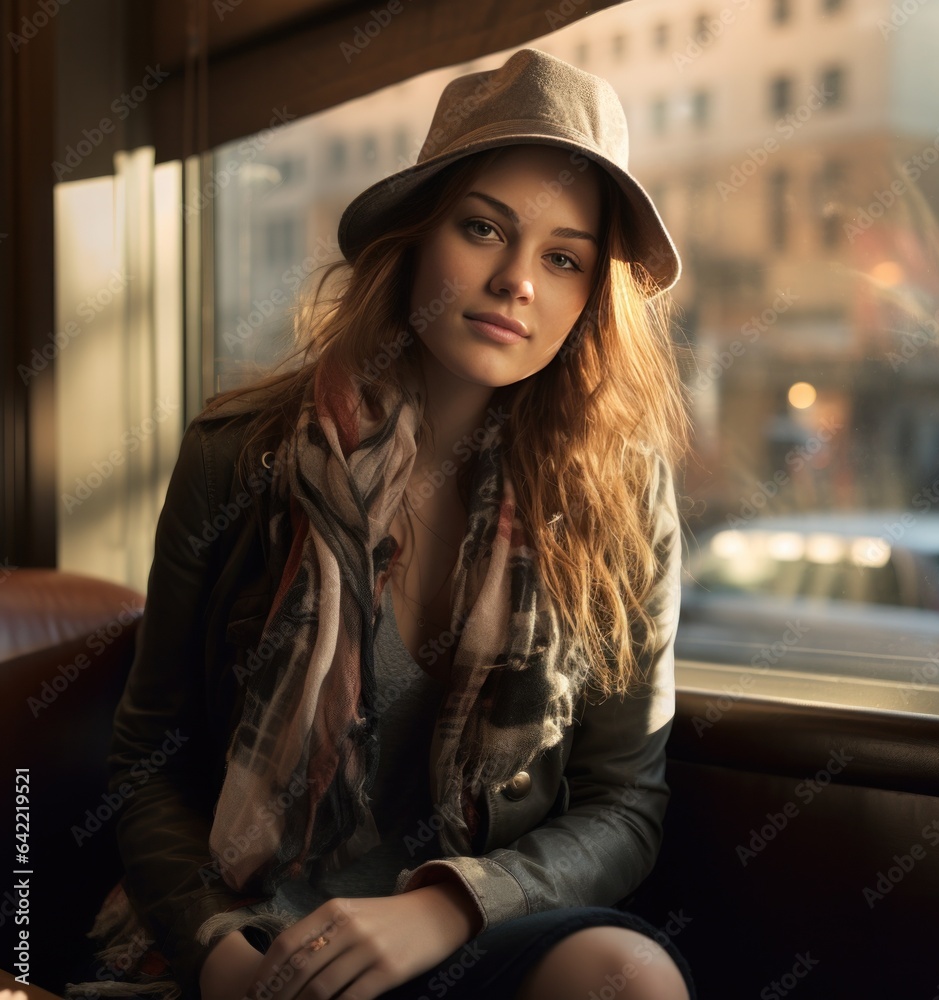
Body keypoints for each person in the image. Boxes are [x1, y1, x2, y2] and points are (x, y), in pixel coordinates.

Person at [66, 47, 695, 1000]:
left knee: (628, 976)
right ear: (414, 239)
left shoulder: (621, 494)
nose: (518, 279)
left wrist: (448, 906)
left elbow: (625, 803)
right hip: (260, 934)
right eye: (485, 229)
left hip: (467, 938)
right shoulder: (240, 455)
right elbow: (147, 764)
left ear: (588, 298)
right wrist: (223, 957)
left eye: (563, 257)